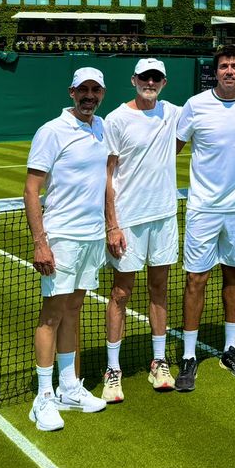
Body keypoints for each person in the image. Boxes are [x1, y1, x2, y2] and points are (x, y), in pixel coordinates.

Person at [24, 67, 110, 431]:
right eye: (83, 90)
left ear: (101, 93)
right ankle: (42, 398)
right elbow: (31, 189)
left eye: (96, 90)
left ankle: (69, 388)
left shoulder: (101, 126)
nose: (89, 96)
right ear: (72, 92)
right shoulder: (51, 130)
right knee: (52, 315)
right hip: (61, 237)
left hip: (92, 237)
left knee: (74, 310)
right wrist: (40, 242)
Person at [174, 44, 235, 392]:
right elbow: (173, 148)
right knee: (196, 280)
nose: (229, 71)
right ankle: (188, 355)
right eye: (224, 66)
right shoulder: (195, 105)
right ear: (216, 71)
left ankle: (230, 348)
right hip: (203, 209)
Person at [102, 57, 180, 401]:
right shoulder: (116, 119)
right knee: (121, 293)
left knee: (159, 289)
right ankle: (113, 369)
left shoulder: (174, 113)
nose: (150, 82)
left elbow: (214, 104)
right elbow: (107, 174)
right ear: (134, 80)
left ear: (163, 82)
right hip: (128, 222)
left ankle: (159, 361)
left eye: (156, 78)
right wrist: (112, 224)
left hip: (164, 217)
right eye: (145, 77)